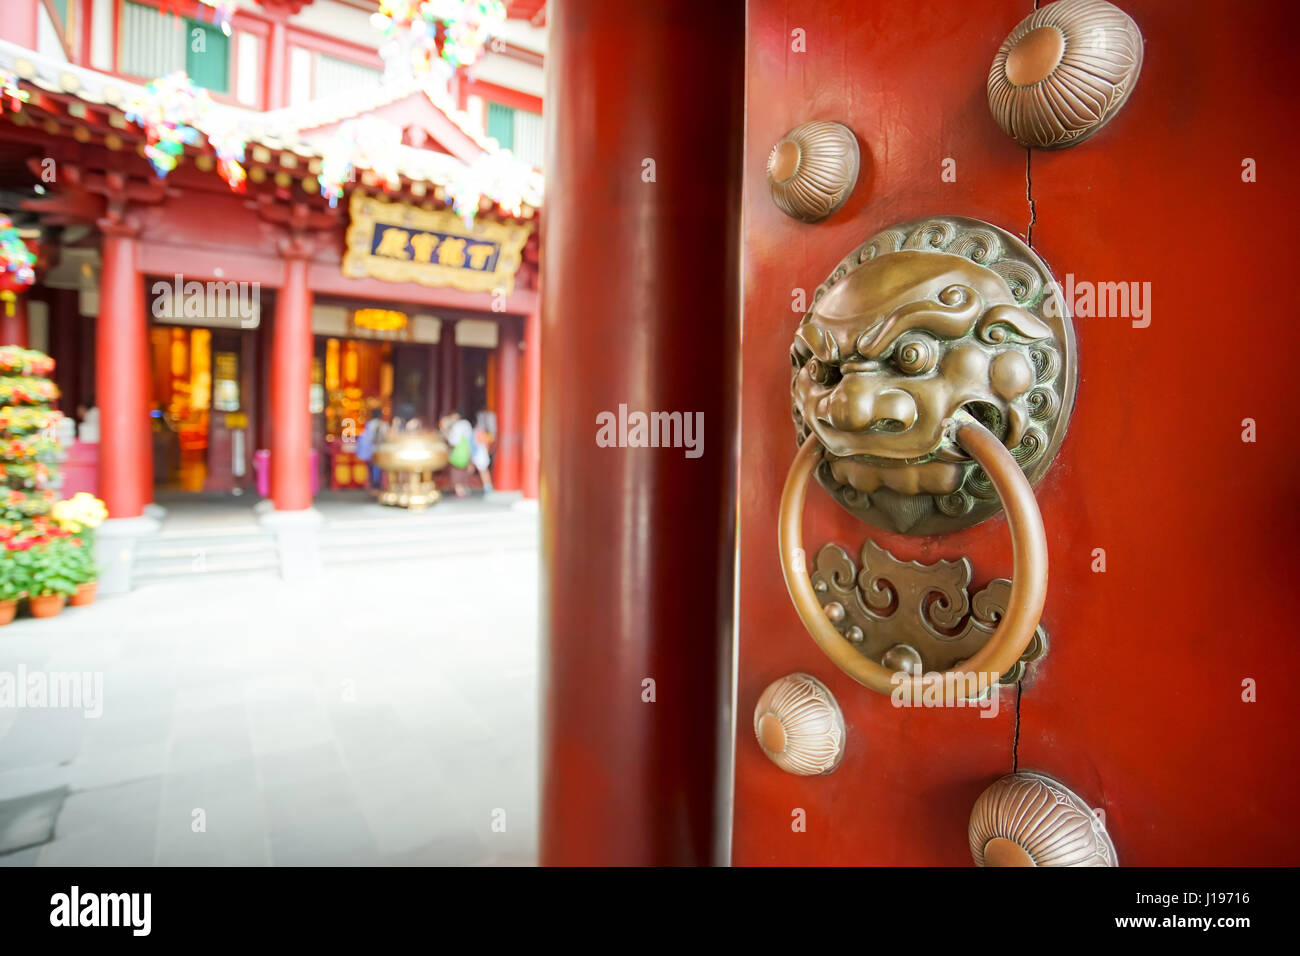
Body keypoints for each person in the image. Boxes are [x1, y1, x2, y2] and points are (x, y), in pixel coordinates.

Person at [440, 410, 473, 498]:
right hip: (466, 451)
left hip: (458, 452)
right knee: (463, 472)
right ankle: (465, 489)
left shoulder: (457, 426)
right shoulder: (467, 424)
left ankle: (459, 492)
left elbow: (453, 441)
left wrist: (445, 430)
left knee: (456, 472)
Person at [356, 407, 387, 490]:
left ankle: (373, 483)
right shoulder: (384, 424)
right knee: (380, 468)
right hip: (382, 450)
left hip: (372, 450)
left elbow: (367, 437)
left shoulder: (369, 424)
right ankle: (379, 483)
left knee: (372, 467)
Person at [471, 409, 496, 494]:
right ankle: (487, 486)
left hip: (477, 454)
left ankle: (487, 487)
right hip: (481, 453)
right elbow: (489, 442)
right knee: (483, 471)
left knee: (482, 471)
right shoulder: (482, 433)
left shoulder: (475, 432)